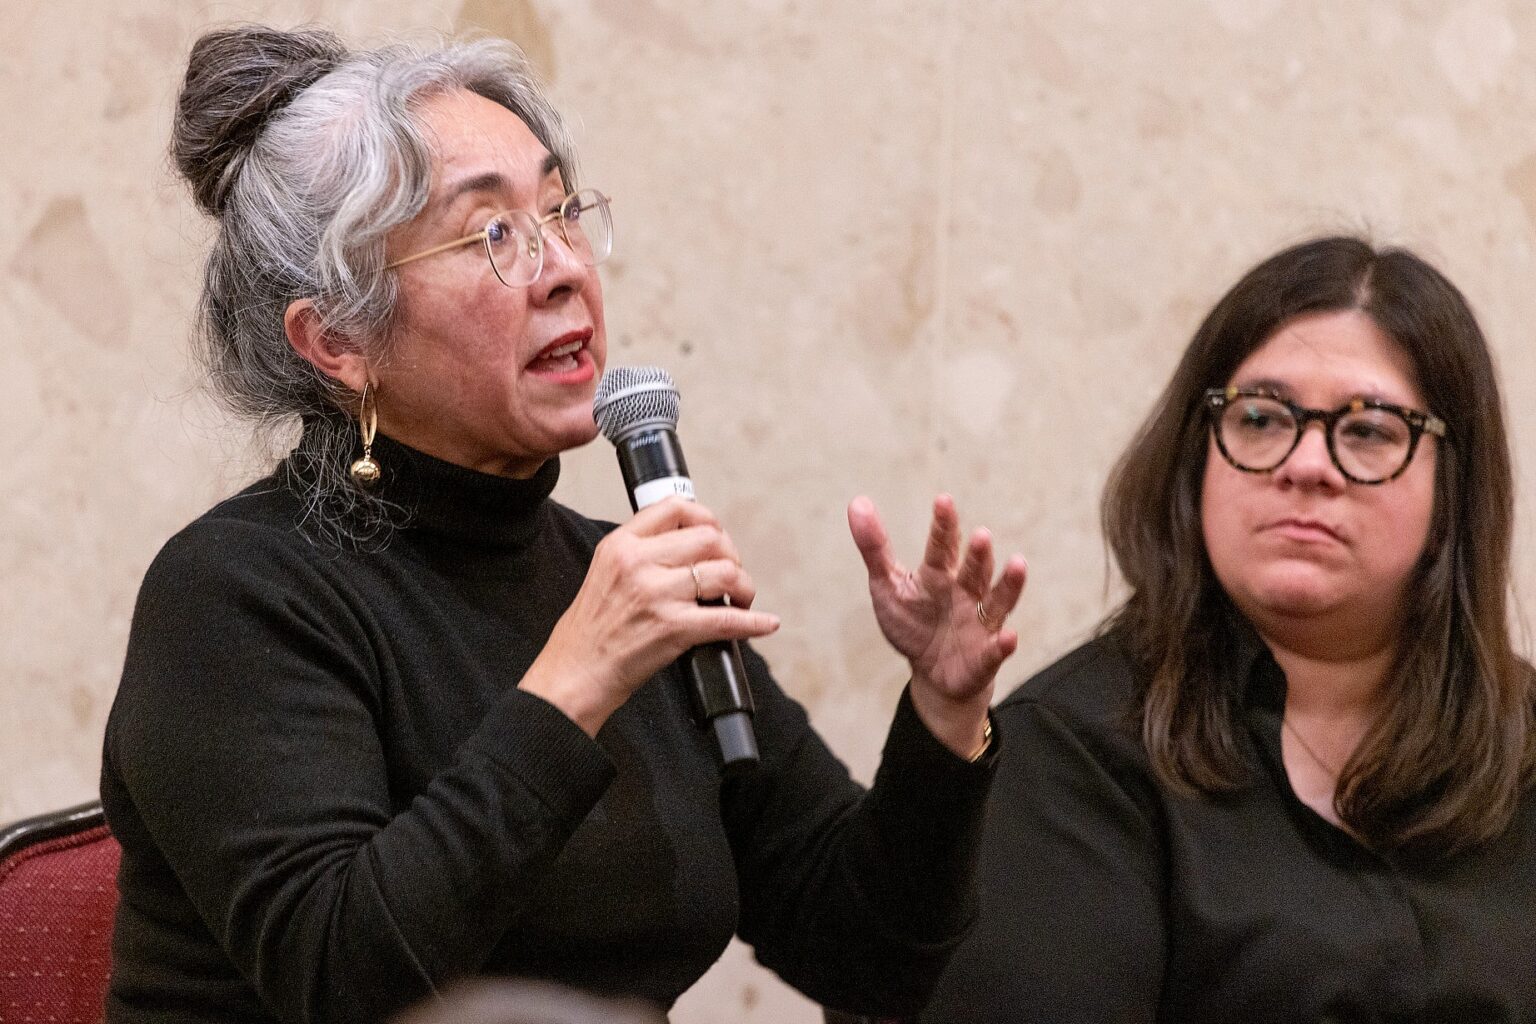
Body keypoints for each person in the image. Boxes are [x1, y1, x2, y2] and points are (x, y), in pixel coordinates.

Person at [100, 25, 1029, 1024]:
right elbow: (341, 978)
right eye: (490, 234)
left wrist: (943, 714)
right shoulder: (236, 596)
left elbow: (867, 952)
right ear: (341, 338)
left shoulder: (613, 574)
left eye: (560, 209)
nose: (562, 269)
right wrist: (578, 678)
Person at [920, 235, 1536, 1023]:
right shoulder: (1070, 757)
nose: (1306, 463)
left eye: (1370, 430)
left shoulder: (1519, 743)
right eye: (1260, 417)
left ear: (1455, 487)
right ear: (1195, 457)